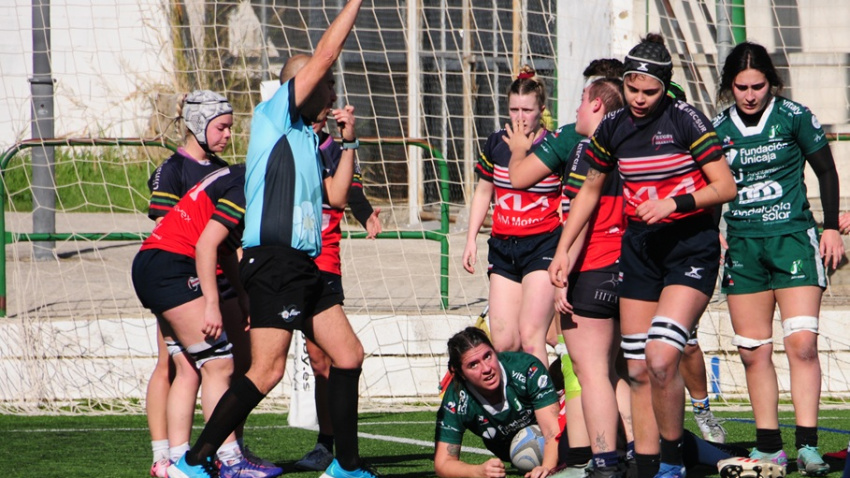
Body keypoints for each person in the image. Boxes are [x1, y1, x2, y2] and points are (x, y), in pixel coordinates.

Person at [166, 2, 378, 477]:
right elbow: (323, 56)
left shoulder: (307, 138)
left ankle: (345, 467)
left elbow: (337, 198)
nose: (331, 90)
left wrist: (348, 143)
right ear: (298, 86)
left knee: (348, 355)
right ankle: (194, 462)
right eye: (325, 84)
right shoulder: (275, 116)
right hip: (275, 261)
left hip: (306, 265)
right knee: (266, 371)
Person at [548, 34, 737, 478]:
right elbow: (589, 189)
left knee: (660, 357)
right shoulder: (613, 127)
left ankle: (672, 463)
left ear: (665, 87)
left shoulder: (685, 119)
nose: (638, 98)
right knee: (635, 368)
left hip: (689, 248)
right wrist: (561, 252)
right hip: (640, 252)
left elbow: (725, 186)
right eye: (632, 88)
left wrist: (674, 204)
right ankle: (648, 465)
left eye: (649, 91)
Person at [713, 41, 843, 476]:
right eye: (741, 87)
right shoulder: (717, 128)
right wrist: (715, 234)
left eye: (758, 86)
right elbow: (712, 186)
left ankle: (808, 444)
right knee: (753, 353)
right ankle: (770, 448)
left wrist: (829, 227)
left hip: (792, 239)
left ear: (772, 82)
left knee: (802, 345)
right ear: (729, 86)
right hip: (744, 245)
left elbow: (826, 169)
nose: (750, 95)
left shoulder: (794, 116)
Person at [144, 90, 273, 477]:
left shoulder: (226, 170)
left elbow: (226, 240)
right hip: (181, 281)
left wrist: (243, 289)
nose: (228, 135)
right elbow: (171, 232)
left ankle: (226, 447)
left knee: (234, 366)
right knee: (180, 364)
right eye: (221, 127)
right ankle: (167, 454)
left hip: (221, 282)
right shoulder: (173, 170)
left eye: (231, 128)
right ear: (198, 125)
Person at [294, 106, 383, 472]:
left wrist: (366, 215)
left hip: (324, 260)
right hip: (285, 260)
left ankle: (329, 445)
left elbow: (350, 192)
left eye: (321, 114)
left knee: (323, 360)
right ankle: (223, 448)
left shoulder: (337, 149)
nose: (317, 120)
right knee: (260, 365)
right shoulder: (288, 142)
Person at [462, 65, 561, 368]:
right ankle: (524, 408)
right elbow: (482, 192)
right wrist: (470, 240)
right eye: (513, 109)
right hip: (504, 246)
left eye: (527, 110)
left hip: (543, 245)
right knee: (504, 342)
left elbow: (570, 200)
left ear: (541, 110)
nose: (519, 117)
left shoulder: (555, 145)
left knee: (533, 338)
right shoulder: (496, 142)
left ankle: (546, 408)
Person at [434, 327, 561, 478]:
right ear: (460, 373)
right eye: (473, 365)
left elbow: (553, 430)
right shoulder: (456, 401)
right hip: (507, 452)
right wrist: (478, 472)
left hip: (555, 440)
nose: (486, 368)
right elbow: (443, 463)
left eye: (488, 356)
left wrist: (547, 467)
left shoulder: (526, 368)